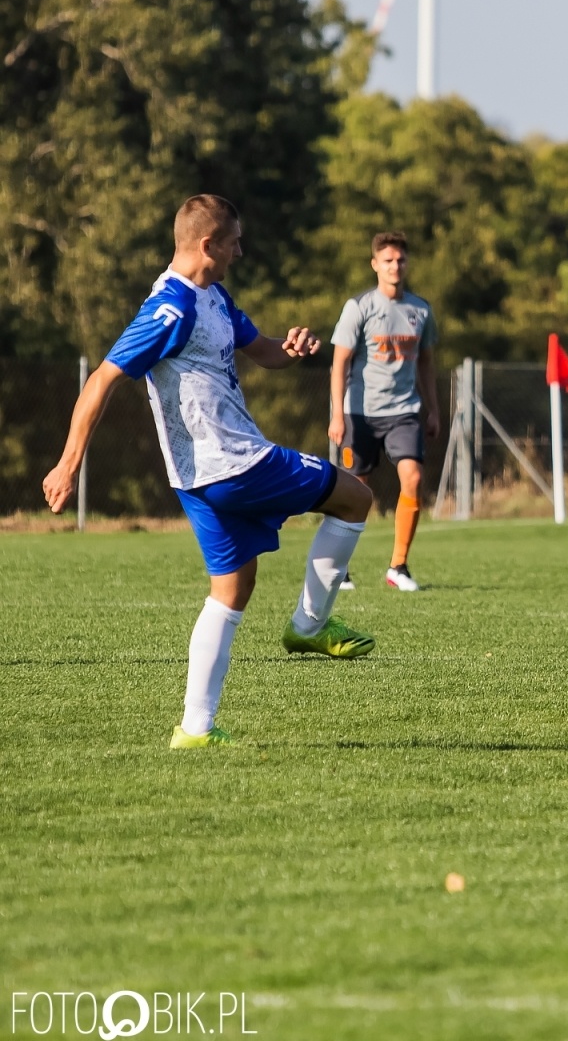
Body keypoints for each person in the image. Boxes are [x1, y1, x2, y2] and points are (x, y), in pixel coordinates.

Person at [42, 195, 376, 749]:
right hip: (234, 460)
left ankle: (194, 729)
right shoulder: (170, 308)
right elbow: (102, 379)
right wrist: (68, 462)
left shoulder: (214, 296)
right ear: (207, 245)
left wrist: (290, 350)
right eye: (234, 242)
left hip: (197, 478)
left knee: (232, 587)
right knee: (356, 497)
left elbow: (262, 350)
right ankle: (311, 627)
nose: (240, 251)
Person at [328, 231, 440, 592]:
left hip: (404, 410)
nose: (395, 266)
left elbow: (426, 363)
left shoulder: (420, 310)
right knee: (355, 492)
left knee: (414, 479)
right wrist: (336, 415)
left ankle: (399, 567)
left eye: (401, 260)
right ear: (375, 264)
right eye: (388, 260)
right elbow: (339, 363)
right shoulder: (358, 307)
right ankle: (340, 569)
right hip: (359, 412)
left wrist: (433, 408)